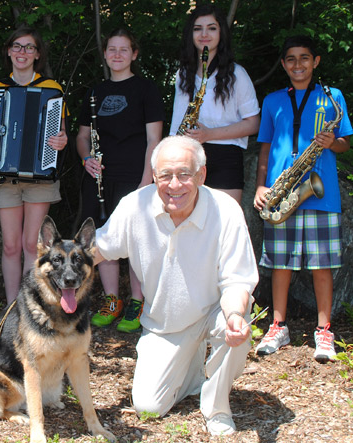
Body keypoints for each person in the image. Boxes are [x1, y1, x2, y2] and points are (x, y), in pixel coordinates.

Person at [95, 136, 258, 436]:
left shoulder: (226, 210)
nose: (175, 185)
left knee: (235, 322)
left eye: (184, 174)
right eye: (165, 176)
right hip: (165, 325)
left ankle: (217, 409)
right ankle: (195, 369)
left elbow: (237, 279)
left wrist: (235, 315)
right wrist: (54, 274)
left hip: (214, 311)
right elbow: (98, 249)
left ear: (201, 175)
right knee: (148, 407)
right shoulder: (135, 205)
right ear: (154, 176)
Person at [253, 35, 351, 363]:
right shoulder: (273, 100)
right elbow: (264, 146)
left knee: (322, 265)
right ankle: (278, 325)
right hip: (282, 193)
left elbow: (345, 143)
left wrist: (331, 142)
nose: (298, 65)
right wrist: (260, 186)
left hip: (320, 195)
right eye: (291, 59)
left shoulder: (332, 97)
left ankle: (324, 330)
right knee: (280, 262)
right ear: (283, 64)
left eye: (304, 58)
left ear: (316, 61)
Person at [0, 26, 68, 304]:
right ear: (9, 51)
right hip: (3, 176)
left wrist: (62, 140)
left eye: (29, 47)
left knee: (31, 246)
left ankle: (28, 304)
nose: (22, 52)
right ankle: (12, 306)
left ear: (37, 55)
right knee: (11, 245)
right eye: (17, 46)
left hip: (40, 177)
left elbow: (60, 132)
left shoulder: (52, 89)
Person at [76, 28, 164, 332]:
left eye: (123, 49)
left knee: (136, 239)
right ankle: (112, 300)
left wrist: (146, 182)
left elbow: (155, 139)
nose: (117, 55)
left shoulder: (146, 89)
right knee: (103, 238)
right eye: (111, 49)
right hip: (99, 178)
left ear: (134, 54)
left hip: (134, 177)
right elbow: (83, 136)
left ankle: (138, 300)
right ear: (105, 54)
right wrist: (86, 159)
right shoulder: (93, 92)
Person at [169, 4, 260, 205]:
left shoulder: (237, 74)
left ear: (221, 33)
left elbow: (254, 123)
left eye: (211, 28)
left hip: (226, 157)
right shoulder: (183, 74)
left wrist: (209, 134)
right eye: (197, 28)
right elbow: (176, 124)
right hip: (190, 156)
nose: (204, 34)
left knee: (224, 228)